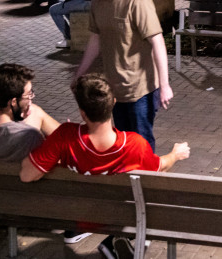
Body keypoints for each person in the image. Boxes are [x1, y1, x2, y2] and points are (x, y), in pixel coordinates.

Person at [20, 74, 190, 258]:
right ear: (113, 103)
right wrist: (175, 154)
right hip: (121, 215)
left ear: (82, 112)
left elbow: (27, 175)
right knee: (154, 185)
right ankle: (119, 239)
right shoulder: (134, 145)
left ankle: (112, 241)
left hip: (79, 214)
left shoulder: (65, 136)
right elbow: (160, 166)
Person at [73, 0, 173, 150]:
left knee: (142, 144)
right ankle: (130, 180)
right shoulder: (96, 3)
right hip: (115, 89)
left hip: (141, 90)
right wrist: (79, 73)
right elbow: (95, 41)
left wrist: (164, 85)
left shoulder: (137, 1)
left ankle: (147, 179)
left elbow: (157, 42)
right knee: (123, 143)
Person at [0, 63, 59, 161]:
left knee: (34, 111)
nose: (31, 98)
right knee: (36, 112)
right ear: (13, 102)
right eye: (29, 94)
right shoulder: (30, 136)